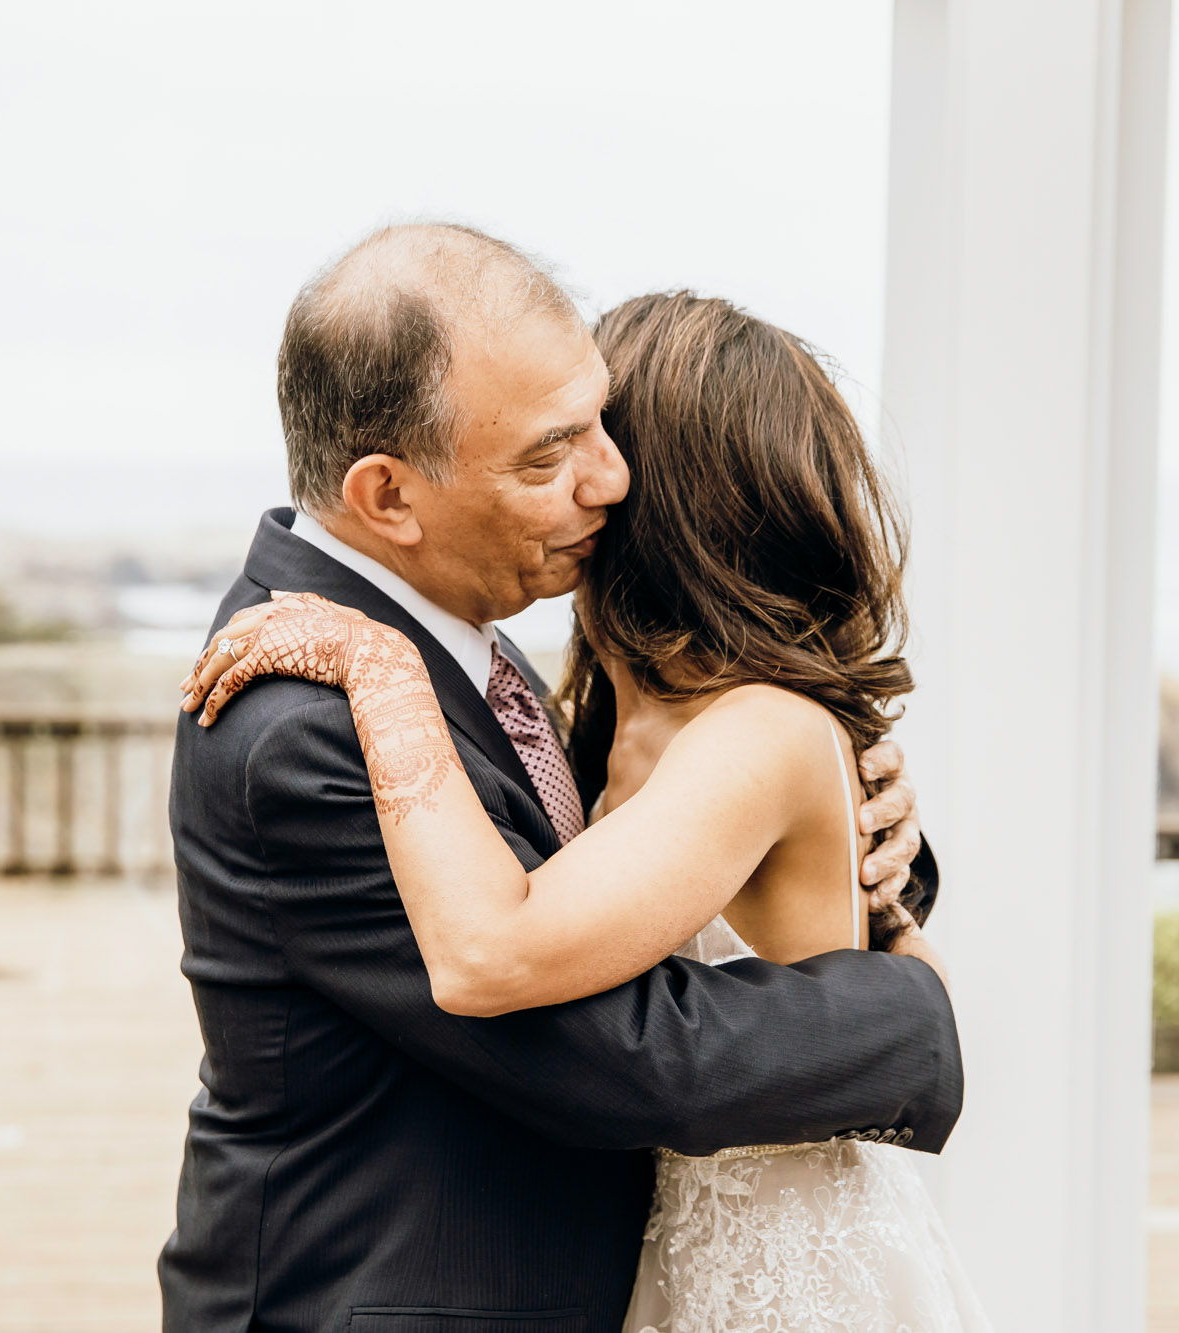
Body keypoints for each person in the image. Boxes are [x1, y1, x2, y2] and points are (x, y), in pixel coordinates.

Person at [159, 224, 963, 1333]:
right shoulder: (315, 721)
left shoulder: (491, 659)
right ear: (387, 496)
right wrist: (908, 1000)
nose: (607, 476)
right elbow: (620, 1052)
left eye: (600, 427)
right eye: (550, 455)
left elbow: (664, 855)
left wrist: (871, 861)